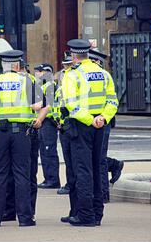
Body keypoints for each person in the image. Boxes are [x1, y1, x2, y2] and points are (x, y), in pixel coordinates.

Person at [0, 50, 43, 227]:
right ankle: (25, 218)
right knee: (22, 173)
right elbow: (38, 105)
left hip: (0, 133)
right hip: (21, 133)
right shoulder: (27, 81)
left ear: (3, 65)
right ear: (17, 65)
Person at [61, 39, 119, 227]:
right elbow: (112, 100)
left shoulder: (72, 75)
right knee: (97, 167)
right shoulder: (104, 74)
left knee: (83, 169)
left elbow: (71, 104)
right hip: (101, 125)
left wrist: (89, 119)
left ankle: (85, 215)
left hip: (82, 125)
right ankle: (97, 213)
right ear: (87, 54)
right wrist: (102, 117)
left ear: (73, 55)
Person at [3, 59, 49, 222]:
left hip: (27, 130)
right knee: (24, 173)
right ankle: (18, 211)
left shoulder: (29, 81)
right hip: (20, 131)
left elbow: (45, 104)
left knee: (24, 173)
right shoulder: (8, 80)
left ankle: (21, 210)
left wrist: (39, 119)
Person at [89, 48, 124, 203]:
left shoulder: (104, 76)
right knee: (94, 157)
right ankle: (114, 166)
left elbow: (111, 100)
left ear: (96, 61)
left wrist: (102, 118)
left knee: (100, 158)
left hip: (102, 121)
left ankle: (103, 193)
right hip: (92, 120)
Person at [35, 63, 61, 189]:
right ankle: (48, 178)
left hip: (49, 121)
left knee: (48, 150)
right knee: (44, 151)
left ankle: (52, 180)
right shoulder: (44, 86)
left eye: (39, 71)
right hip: (44, 121)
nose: (37, 74)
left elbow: (47, 105)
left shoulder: (50, 86)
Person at [56, 53, 73, 196]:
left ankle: (71, 184)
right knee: (69, 159)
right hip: (63, 126)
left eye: (66, 67)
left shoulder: (72, 80)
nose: (63, 71)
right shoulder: (61, 86)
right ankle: (70, 183)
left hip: (72, 125)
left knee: (74, 159)